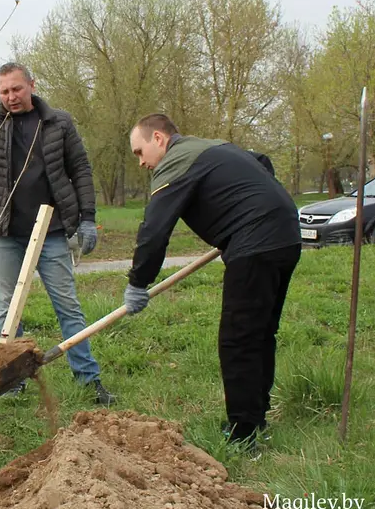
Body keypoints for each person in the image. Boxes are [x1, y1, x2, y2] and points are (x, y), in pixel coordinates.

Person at [0, 62, 114, 405]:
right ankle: (13, 381)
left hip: (51, 232)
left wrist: (88, 217)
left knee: (68, 307)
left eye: (16, 89)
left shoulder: (59, 123)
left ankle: (89, 379)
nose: (11, 96)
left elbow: (81, 169)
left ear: (31, 85)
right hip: (5, 233)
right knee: (8, 309)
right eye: (4, 91)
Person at [123, 113, 301, 456]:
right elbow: (262, 162)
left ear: (158, 138)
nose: (141, 162)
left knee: (238, 340)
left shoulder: (176, 162)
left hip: (256, 244)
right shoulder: (211, 146)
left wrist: (138, 282)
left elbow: (155, 231)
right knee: (260, 334)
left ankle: (243, 434)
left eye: (139, 152)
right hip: (286, 235)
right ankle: (255, 420)